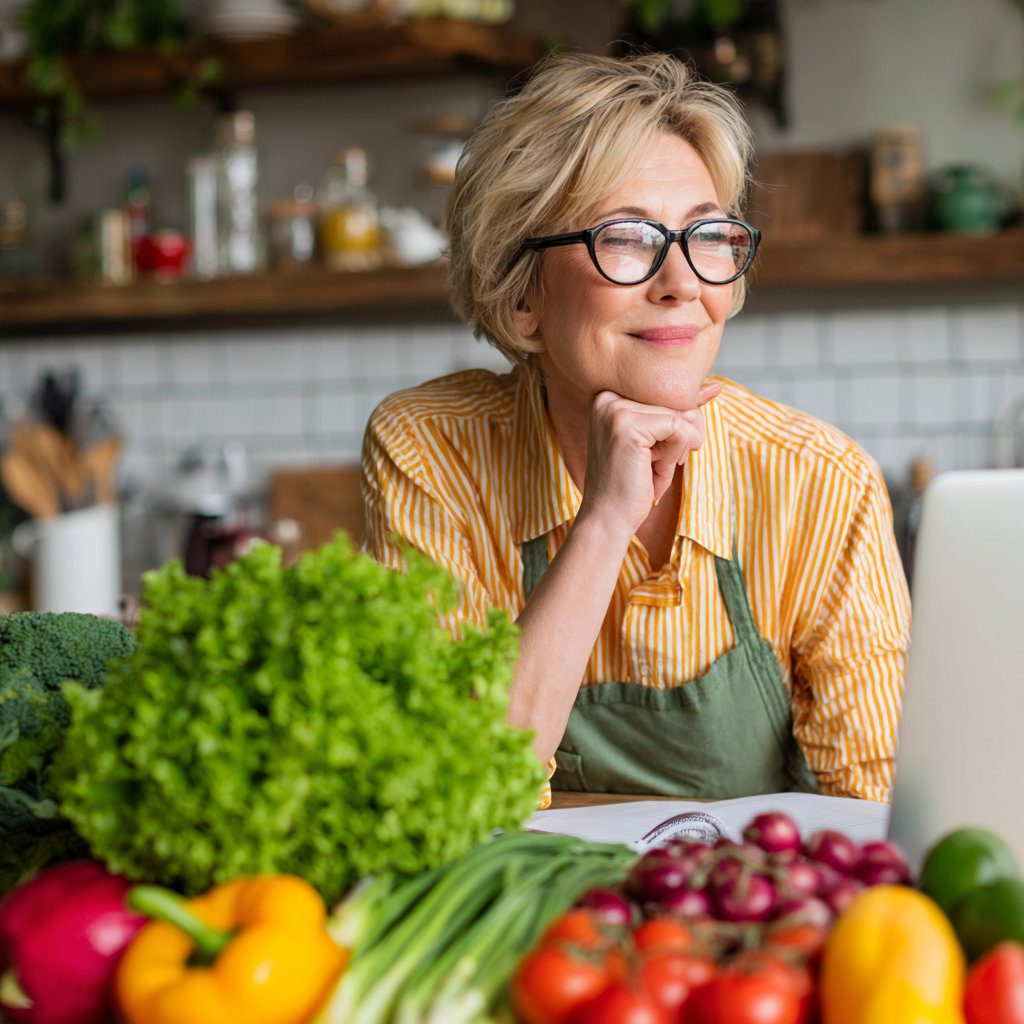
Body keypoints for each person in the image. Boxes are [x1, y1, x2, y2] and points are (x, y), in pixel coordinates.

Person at [362, 52, 910, 808]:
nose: (683, 282)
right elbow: (448, 792)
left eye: (708, 235)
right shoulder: (433, 451)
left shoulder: (818, 481)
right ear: (524, 295)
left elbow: (878, 810)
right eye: (626, 237)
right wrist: (604, 522)